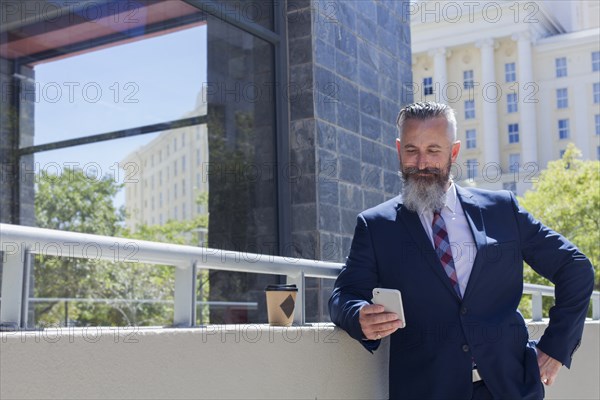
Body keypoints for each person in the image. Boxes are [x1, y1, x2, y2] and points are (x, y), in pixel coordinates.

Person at [329, 101, 595, 400]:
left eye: (433, 150)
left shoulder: (501, 210)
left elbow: (575, 267)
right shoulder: (376, 225)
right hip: (427, 391)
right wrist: (359, 315)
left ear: (454, 153)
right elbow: (344, 295)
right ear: (398, 149)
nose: (420, 163)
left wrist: (556, 348)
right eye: (411, 150)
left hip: (510, 389)